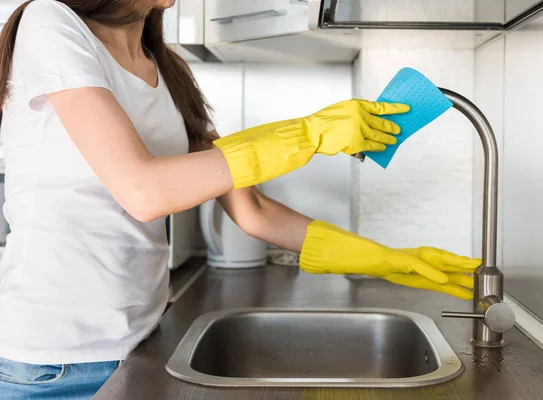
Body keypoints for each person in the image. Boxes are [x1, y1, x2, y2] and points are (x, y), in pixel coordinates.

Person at [0, 1, 481, 399]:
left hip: (139, 339)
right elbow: (144, 191)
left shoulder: (167, 69)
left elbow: (254, 211)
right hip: (51, 362)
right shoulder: (51, 22)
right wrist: (310, 134)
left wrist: (385, 260)